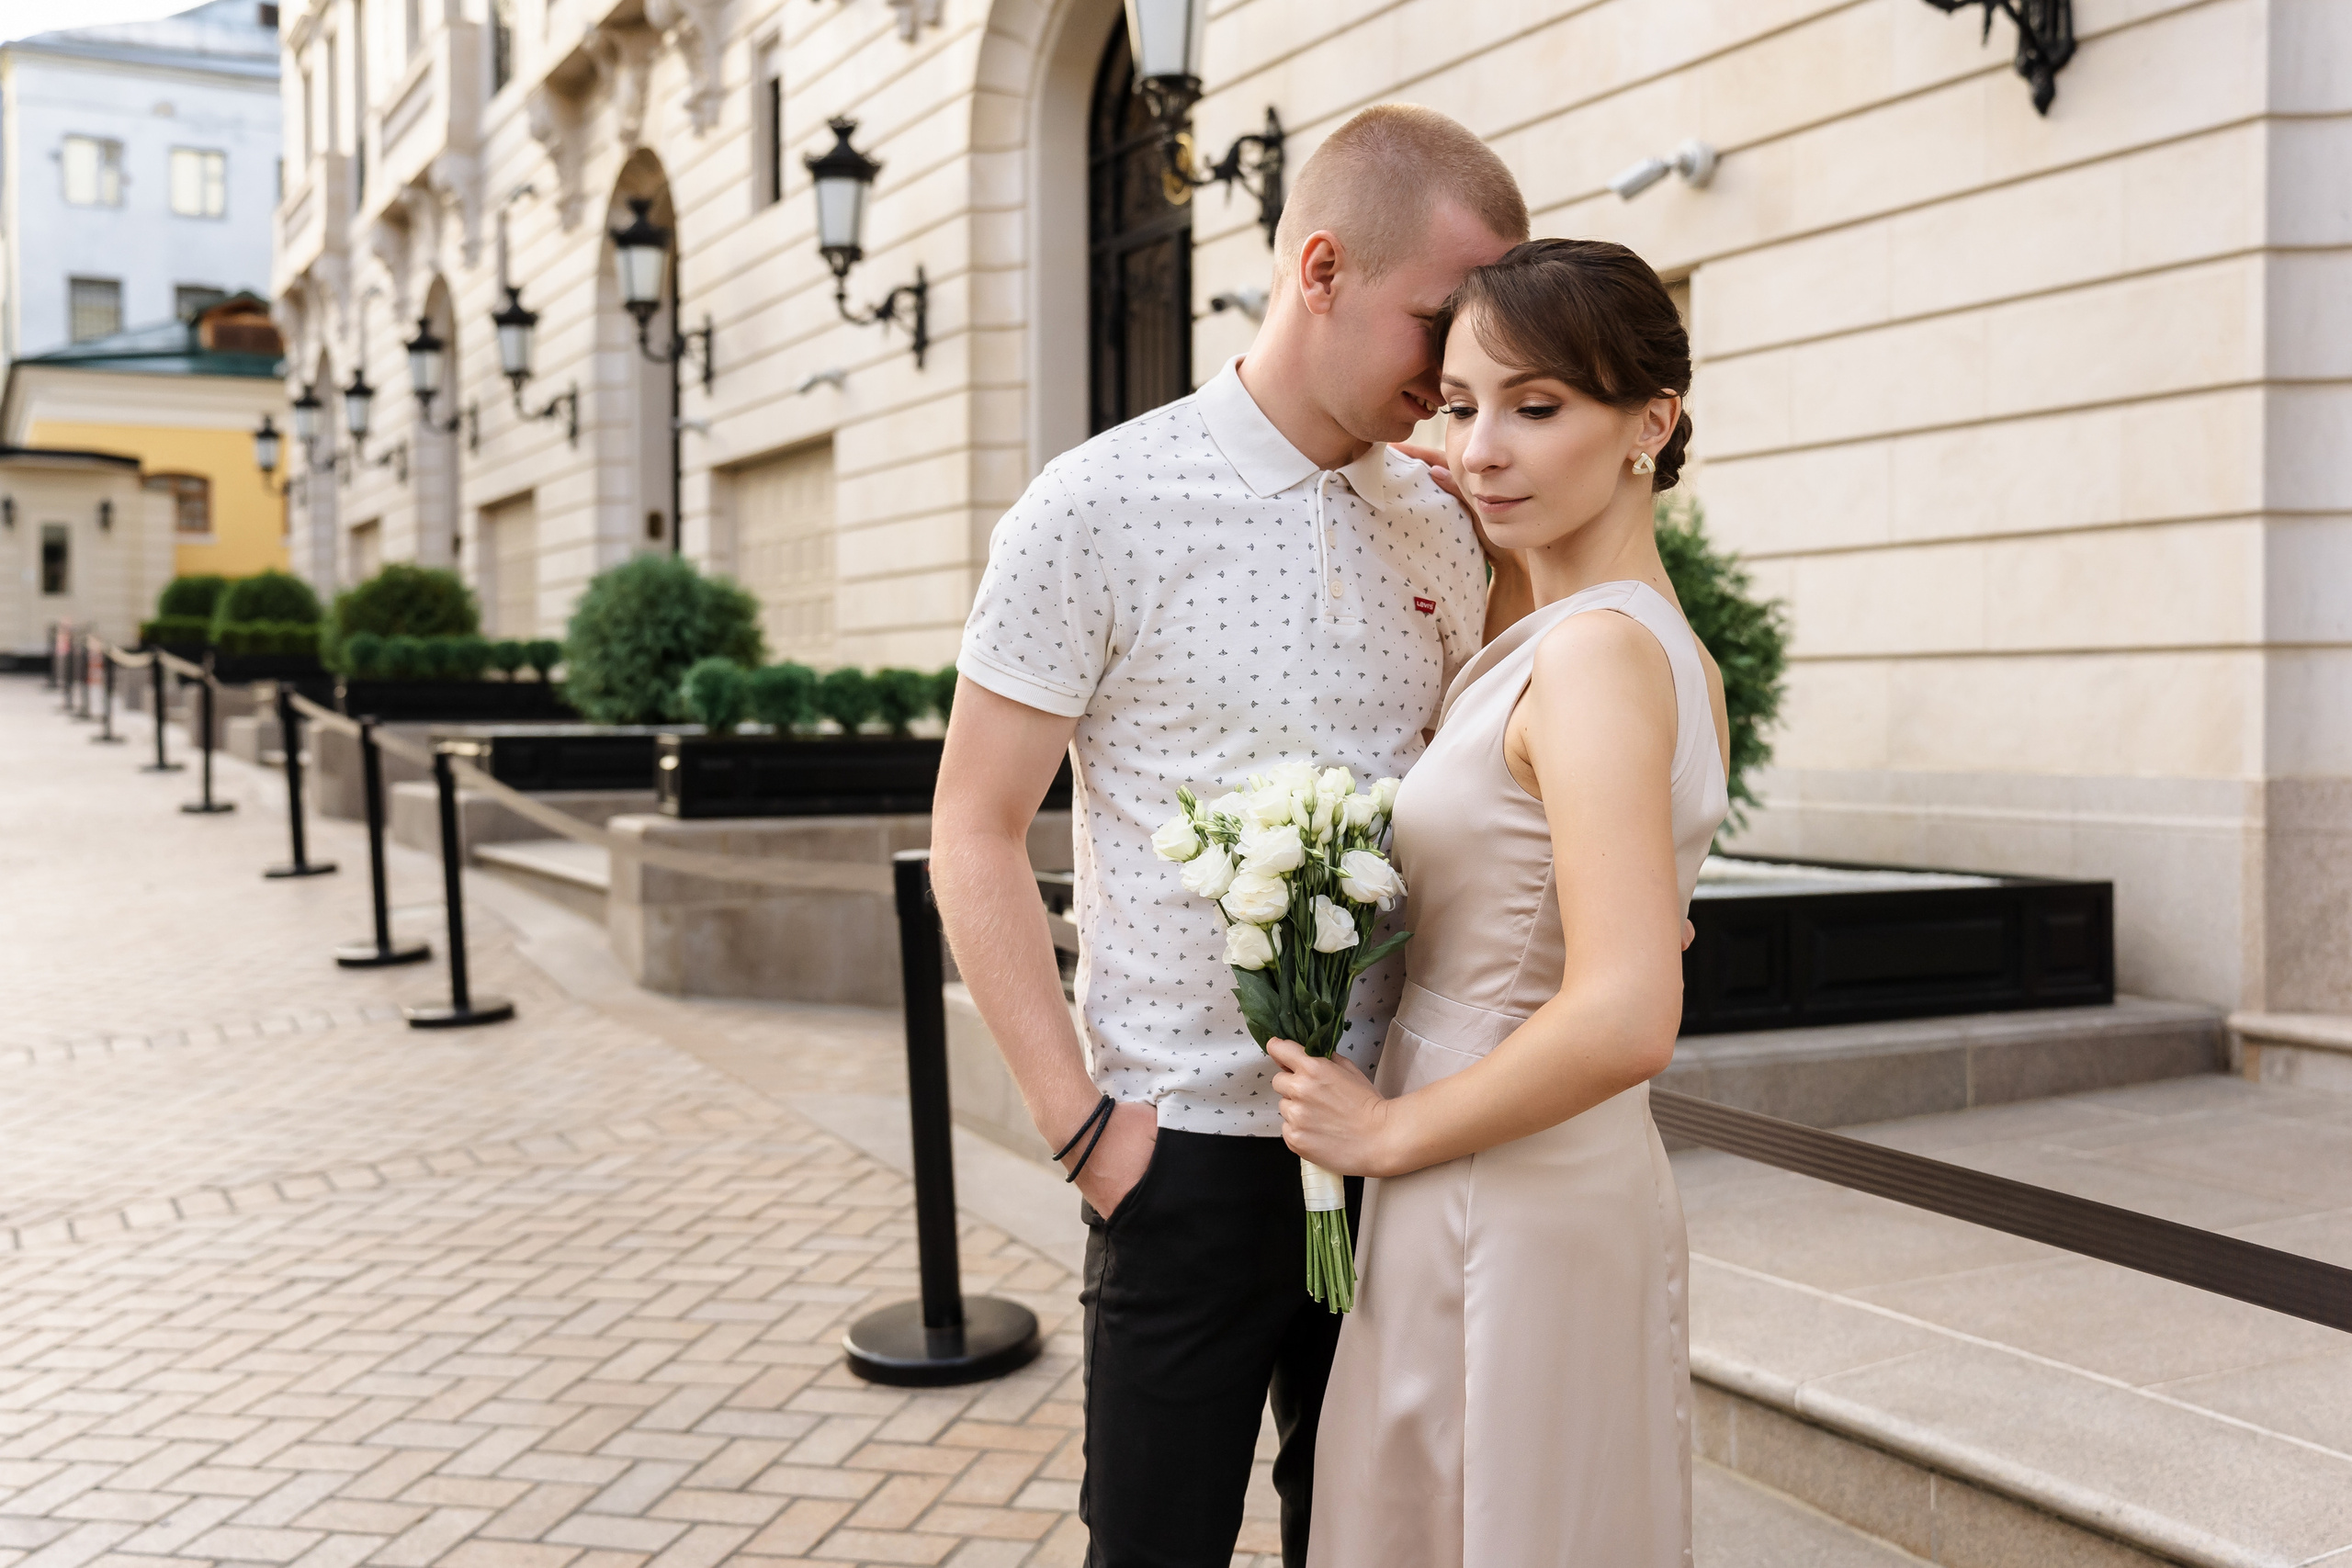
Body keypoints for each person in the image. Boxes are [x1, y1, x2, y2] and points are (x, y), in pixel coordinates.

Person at [929, 106, 1530, 1568]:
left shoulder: (1446, 521)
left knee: (1376, 1548)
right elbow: (974, 828)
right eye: (1439, 317)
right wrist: (1086, 1134)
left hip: (1398, 1148)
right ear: (1321, 269)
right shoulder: (1095, 505)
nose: (1461, 360)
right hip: (1179, 1156)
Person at [1269, 238, 1732, 1568]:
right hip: (1531, 1159)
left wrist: (1386, 1132)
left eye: (1537, 407)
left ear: (1651, 424)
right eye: (1459, 405)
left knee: (1474, 1521)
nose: (1479, 450)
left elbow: (1630, 1009)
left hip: (1493, 1172)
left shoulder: (1592, 660)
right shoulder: (1641, 643)